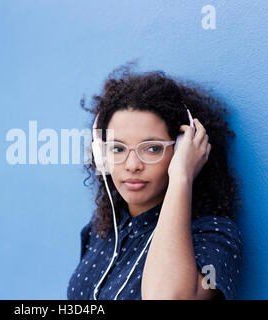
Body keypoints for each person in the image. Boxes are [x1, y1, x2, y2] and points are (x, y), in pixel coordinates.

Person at [67, 61, 243, 300]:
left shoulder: (212, 236)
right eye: (117, 149)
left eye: (152, 148)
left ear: (183, 149)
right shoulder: (103, 226)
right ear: (101, 155)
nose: (132, 165)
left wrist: (182, 177)